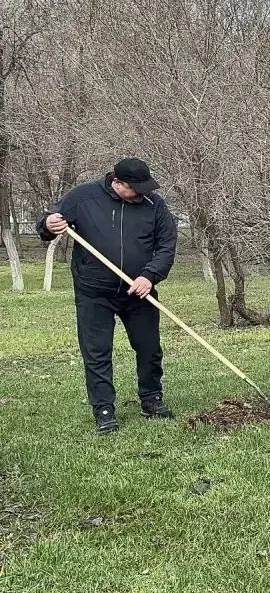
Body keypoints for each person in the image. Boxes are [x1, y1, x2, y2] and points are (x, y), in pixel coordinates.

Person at [38, 158, 178, 434]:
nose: (141, 194)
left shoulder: (154, 205)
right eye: (135, 189)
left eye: (144, 188)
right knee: (97, 352)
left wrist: (148, 276)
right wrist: (48, 223)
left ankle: (151, 399)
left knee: (149, 348)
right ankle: (104, 410)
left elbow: (166, 244)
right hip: (94, 292)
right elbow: (48, 223)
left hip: (139, 291)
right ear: (117, 182)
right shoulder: (83, 197)